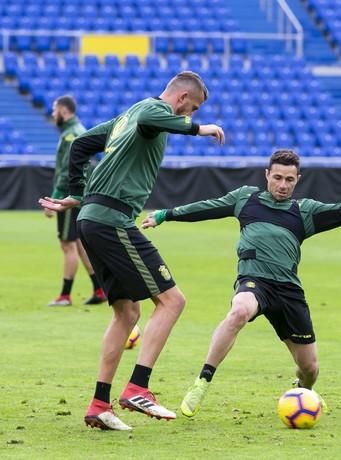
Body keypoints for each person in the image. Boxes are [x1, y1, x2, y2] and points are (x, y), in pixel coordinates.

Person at [39, 71, 224, 431]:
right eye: (193, 109)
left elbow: (80, 147)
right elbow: (153, 117)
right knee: (173, 301)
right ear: (182, 99)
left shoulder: (125, 116)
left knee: (126, 314)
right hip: (112, 220)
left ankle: (98, 405)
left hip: (92, 217)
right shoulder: (150, 111)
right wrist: (199, 129)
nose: (190, 115)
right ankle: (139, 386)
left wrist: (77, 192)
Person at [142, 148, 341, 418]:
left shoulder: (304, 212)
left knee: (309, 369)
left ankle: (301, 390)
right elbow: (206, 207)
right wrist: (165, 215)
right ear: (267, 175)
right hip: (254, 281)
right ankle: (203, 380)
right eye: (277, 178)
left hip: (288, 291)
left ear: (297, 179)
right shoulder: (246, 199)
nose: (282, 185)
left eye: (289, 180)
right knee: (239, 310)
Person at [45, 95, 106, 307]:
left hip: (71, 194)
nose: (53, 115)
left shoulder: (71, 135)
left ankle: (65, 296)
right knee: (80, 244)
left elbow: (66, 170)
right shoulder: (79, 130)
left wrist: (57, 195)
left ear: (63, 110)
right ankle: (100, 289)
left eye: (54, 110)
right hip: (83, 193)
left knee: (67, 244)